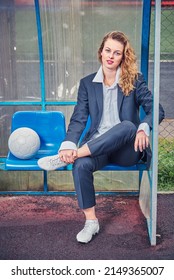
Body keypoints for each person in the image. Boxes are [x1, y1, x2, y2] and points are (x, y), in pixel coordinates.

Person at [38, 31, 164, 243]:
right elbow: (79, 118)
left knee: (127, 126)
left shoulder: (134, 80)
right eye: (108, 50)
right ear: (101, 52)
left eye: (117, 53)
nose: (111, 56)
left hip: (127, 150)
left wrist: (143, 127)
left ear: (123, 57)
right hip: (98, 149)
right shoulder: (87, 83)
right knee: (81, 166)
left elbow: (156, 109)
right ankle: (91, 222)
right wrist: (67, 144)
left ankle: (74, 155)